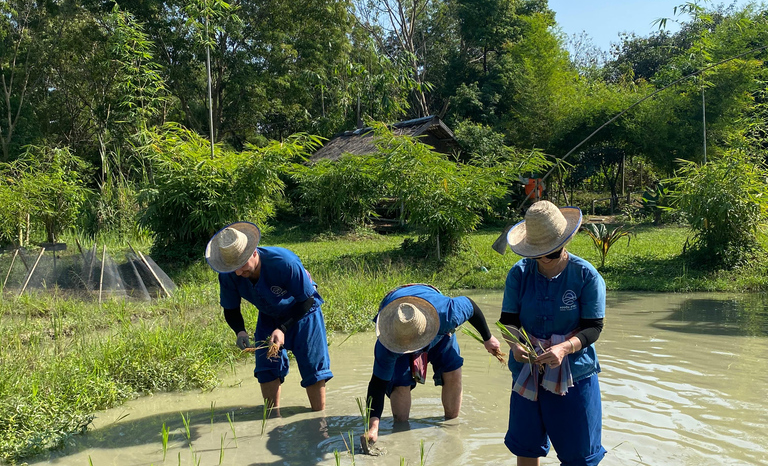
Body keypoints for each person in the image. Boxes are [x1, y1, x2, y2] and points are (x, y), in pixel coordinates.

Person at [500, 200, 607, 466]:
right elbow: (508, 321)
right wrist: (514, 345)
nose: (544, 260)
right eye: (538, 254)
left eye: (551, 253)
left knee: (579, 457)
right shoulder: (519, 274)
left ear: (564, 244)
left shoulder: (586, 276)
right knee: (527, 448)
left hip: (575, 374)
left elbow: (593, 327)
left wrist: (564, 348)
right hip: (528, 372)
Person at [205, 221, 332, 411]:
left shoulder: (284, 262)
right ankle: (273, 420)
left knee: (314, 372)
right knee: (266, 370)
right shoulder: (229, 275)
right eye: (234, 269)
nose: (239, 273)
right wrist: (240, 332)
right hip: (269, 314)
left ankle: (319, 419)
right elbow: (231, 309)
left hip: (303, 314)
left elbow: (307, 301)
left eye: (242, 265)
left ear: (254, 252)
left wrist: (282, 329)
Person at [363, 283, 502, 444]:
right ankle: (401, 435)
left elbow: (470, 305)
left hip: (436, 328)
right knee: (400, 385)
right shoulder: (388, 343)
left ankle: (452, 428)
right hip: (396, 322)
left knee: (452, 370)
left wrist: (488, 338)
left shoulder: (447, 314)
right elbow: (377, 385)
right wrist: (373, 427)